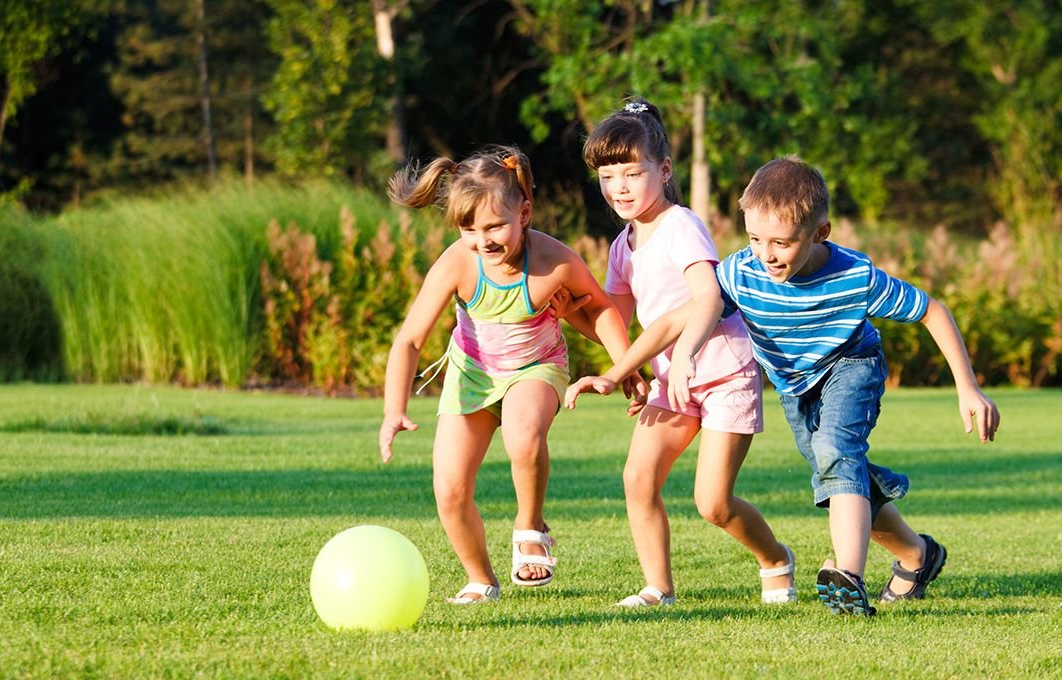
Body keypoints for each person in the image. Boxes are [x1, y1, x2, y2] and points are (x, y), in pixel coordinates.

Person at [569, 156, 999, 616]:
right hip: (795, 386)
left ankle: (848, 578)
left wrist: (968, 388)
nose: (767, 254)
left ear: (820, 233)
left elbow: (932, 310)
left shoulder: (856, 277)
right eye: (755, 239)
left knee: (836, 452)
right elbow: (680, 318)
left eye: (781, 242)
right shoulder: (744, 272)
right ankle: (917, 554)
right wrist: (618, 372)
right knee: (840, 474)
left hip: (851, 365)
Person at [379, 146, 640, 605]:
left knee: (523, 435)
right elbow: (409, 340)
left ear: (524, 212)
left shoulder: (552, 260)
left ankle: (529, 524)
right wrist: (393, 409)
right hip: (472, 376)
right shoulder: (459, 262)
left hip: (536, 368)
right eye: (469, 229)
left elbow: (599, 308)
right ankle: (481, 579)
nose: (484, 240)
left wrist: (626, 367)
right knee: (450, 490)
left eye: (495, 226)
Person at [573, 98, 794, 608]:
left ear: (664, 170)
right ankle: (658, 588)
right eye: (608, 176)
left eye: (633, 172)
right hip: (671, 379)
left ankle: (775, 558)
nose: (620, 187)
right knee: (638, 476)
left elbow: (709, 296)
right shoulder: (621, 246)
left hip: (722, 371)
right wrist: (567, 315)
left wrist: (687, 354)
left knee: (713, 503)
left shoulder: (681, 225)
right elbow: (616, 322)